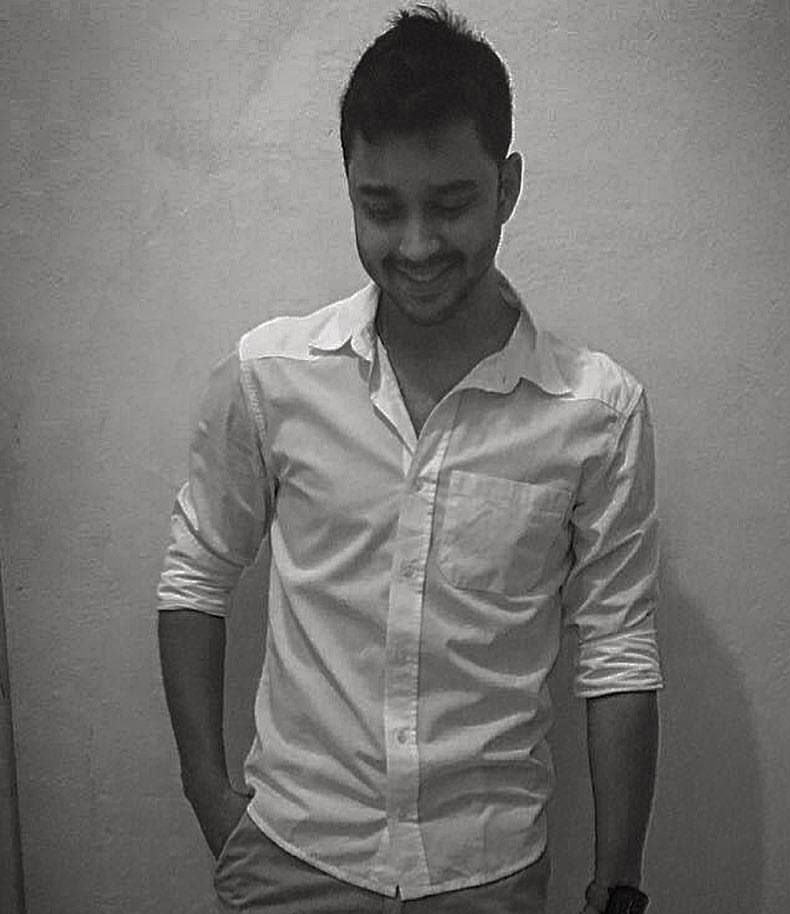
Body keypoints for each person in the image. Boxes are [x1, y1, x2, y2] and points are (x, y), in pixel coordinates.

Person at [157, 5, 662, 913]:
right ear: (349, 187)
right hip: (287, 858)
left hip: (487, 873)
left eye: (452, 203)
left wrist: (617, 883)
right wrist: (210, 798)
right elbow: (196, 573)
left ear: (507, 187)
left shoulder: (596, 412)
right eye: (381, 208)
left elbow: (617, 650)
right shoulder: (272, 375)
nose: (417, 245)